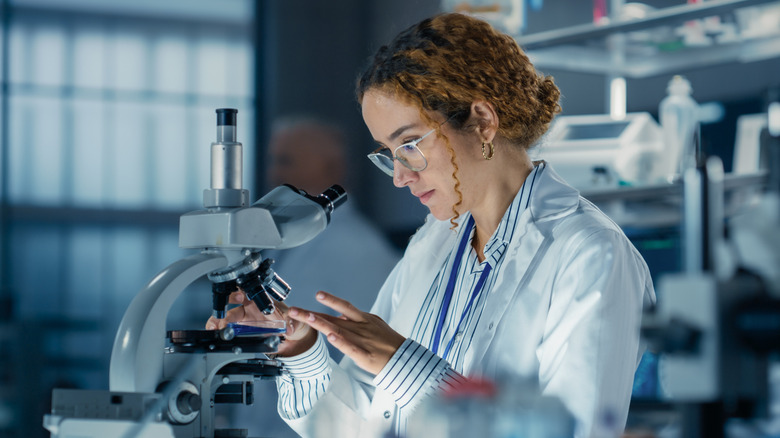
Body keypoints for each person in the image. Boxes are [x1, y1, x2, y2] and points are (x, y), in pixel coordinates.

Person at [207, 12, 655, 438]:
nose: (400, 176)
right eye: (388, 153)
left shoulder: (590, 254)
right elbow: (359, 427)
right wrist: (302, 350)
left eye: (409, 145)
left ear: (482, 121)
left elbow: (576, 431)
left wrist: (406, 366)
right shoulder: (433, 245)